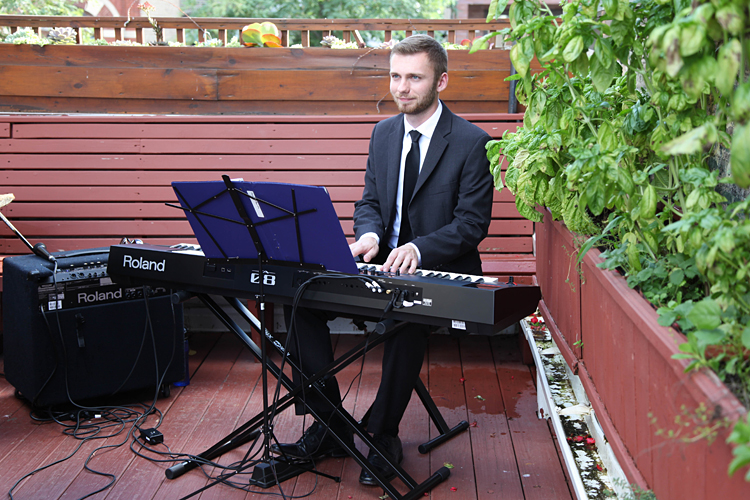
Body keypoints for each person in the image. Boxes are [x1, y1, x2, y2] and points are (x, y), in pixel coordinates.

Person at [273, 34, 493, 486]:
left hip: (436, 271)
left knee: (407, 318)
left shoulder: (472, 142)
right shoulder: (383, 133)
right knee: (299, 299)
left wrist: (419, 248)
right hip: (379, 265)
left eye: (414, 77)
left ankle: (382, 432)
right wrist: (370, 233)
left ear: (442, 81)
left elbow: (471, 225)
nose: (402, 87)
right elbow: (369, 201)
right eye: (395, 76)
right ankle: (330, 423)